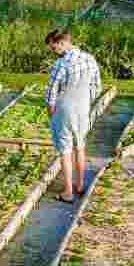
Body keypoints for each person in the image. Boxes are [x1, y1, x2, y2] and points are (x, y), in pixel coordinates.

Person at [45, 30, 101, 203]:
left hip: (65, 108)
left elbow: (51, 93)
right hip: (83, 108)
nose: (54, 52)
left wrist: (51, 111)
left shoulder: (61, 64)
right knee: (80, 146)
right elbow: (96, 86)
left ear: (61, 42)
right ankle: (80, 185)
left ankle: (68, 192)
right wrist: (86, 102)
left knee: (65, 149)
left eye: (54, 48)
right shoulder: (89, 58)